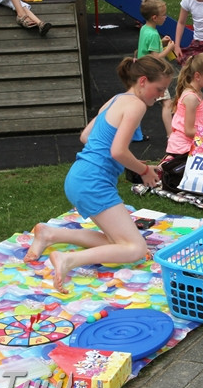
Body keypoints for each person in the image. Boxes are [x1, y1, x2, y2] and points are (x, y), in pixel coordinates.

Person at [23, 56, 173, 290]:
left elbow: (86, 137)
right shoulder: (136, 105)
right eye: (159, 89)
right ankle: (67, 260)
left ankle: (50, 234)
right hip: (93, 182)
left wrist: (131, 161)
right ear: (143, 81)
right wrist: (143, 170)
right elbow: (118, 151)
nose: (161, 95)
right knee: (136, 249)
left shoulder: (117, 99)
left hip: (79, 177)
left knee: (118, 242)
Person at [165, 53, 203, 157]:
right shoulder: (191, 98)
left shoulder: (195, 93)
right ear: (197, 76)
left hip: (188, 145)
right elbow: (189, 131)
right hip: (182, 149)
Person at [137, 0, 181, 132]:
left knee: (140, 103)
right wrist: (169, 48)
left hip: (142, 70)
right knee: (167, 103)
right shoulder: (153, 35)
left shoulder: (145, 29)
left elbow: (147, 48)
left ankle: (133, 132)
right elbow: (156, 57)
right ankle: (170, 135)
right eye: (163, 14)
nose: (166, 17)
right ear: (155, 17)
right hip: (153, 73)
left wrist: (161, 43)